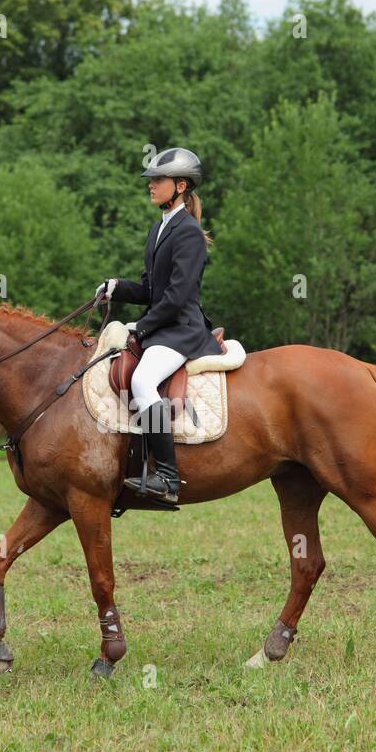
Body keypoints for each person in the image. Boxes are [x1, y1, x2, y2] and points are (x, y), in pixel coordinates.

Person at [94, 147, 223, 505]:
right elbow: (153, 289)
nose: (151, 186)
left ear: (180, 186)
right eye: (151, 180)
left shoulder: (189, 234)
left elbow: (179, 297)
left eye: (158, 180)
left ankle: (167, 477)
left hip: (182, 328)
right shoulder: (159, 229)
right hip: (165, 324)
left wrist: (142, 327)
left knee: (141, 380)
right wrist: (117, 287)